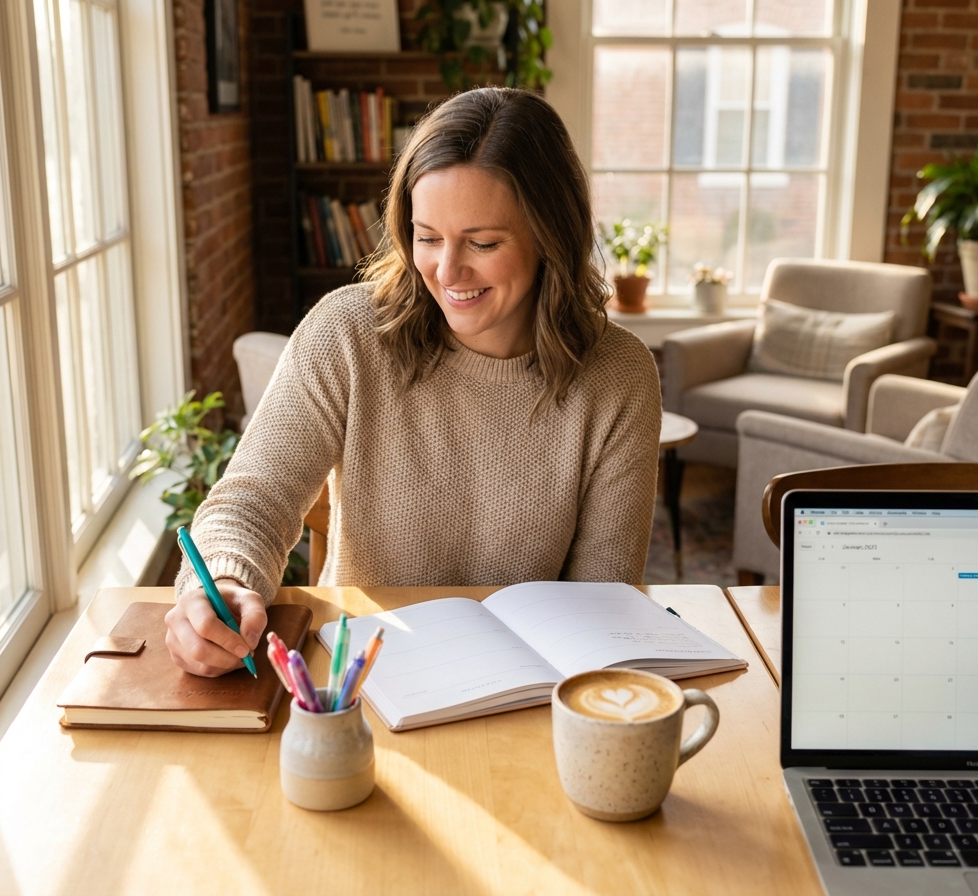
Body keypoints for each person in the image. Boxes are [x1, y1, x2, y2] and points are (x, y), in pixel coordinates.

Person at [167, 87, 662, 677]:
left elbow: (601, 602)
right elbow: (254, 498)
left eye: (483, 243)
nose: (447, 272)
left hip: (530, 690)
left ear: (550, 237)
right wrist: (224, 580)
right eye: (427, 237)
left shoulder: (618, 376)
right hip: (357, 684)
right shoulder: (346, 332)